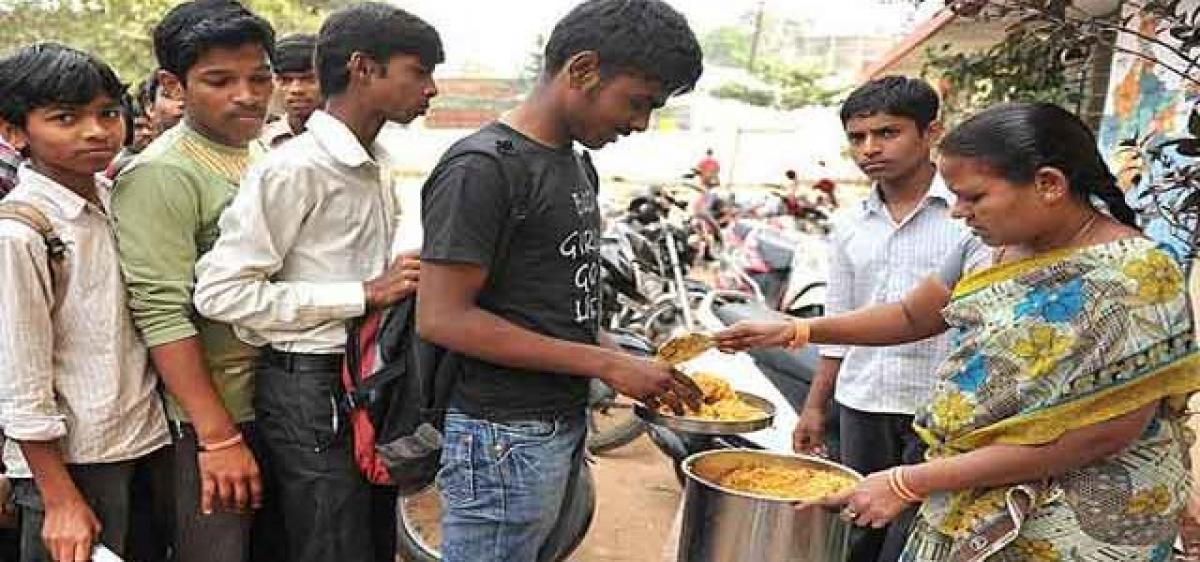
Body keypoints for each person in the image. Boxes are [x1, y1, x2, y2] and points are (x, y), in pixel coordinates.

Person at [717, 102, 1199, 561]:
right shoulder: (1002, 248)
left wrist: (910, 482)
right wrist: (794, 330)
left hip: (1077, 522)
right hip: (969, 490)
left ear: (1049, 184)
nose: (957, 212)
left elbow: (1098, 437)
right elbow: (911, 315)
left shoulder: (1136, 278)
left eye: (974, 197)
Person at [417, 1, 704, 560]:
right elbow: (444, 317)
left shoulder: (575, 165)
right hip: (500, 435)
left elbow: (549, 307)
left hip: (554, 421)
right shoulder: (483, 168)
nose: (640, 124)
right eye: (638, 102)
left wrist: (615, 351)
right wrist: (606, 364)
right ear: (582, 69)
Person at [193, 4, 442, 561]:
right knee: (333, 544)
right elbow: (220, 292)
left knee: (370, 538)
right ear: (363, 68)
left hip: (365, 381)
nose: (431, 89)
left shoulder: (376, 162)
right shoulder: (294, 168)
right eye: (419, 71)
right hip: (310, 389)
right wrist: (362, 293)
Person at [786, 76, 987, 562]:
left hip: (940, 411)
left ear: (930, 132)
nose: (870, 148)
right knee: (856, 529)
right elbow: (838, 321)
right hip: (863, 402)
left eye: (887, 132)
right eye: (858, 137)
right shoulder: (851, 224)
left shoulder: (972, 214)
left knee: (920, 538)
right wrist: (816, 406)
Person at [111, 1, 279, 560]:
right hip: (207, 420)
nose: (246, 95)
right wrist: (216, 435)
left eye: (260, 77)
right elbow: (159, 311)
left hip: (271, 403)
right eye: (219, 80)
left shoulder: (257, 154)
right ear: (173, 84)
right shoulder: (164, 172)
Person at [0, 42, 171, 562]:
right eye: (65, 118)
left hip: (141, 443)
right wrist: (59, 498)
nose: (96, 131)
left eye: (107, 113)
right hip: (72, 463)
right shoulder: (21, 231)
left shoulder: (117, 199)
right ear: (13, 133)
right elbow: (21, 377)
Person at [261, 33, 322, 148]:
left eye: (308, 79)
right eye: (285, 80)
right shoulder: (260, 143)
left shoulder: (349, 139)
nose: (296, 90)